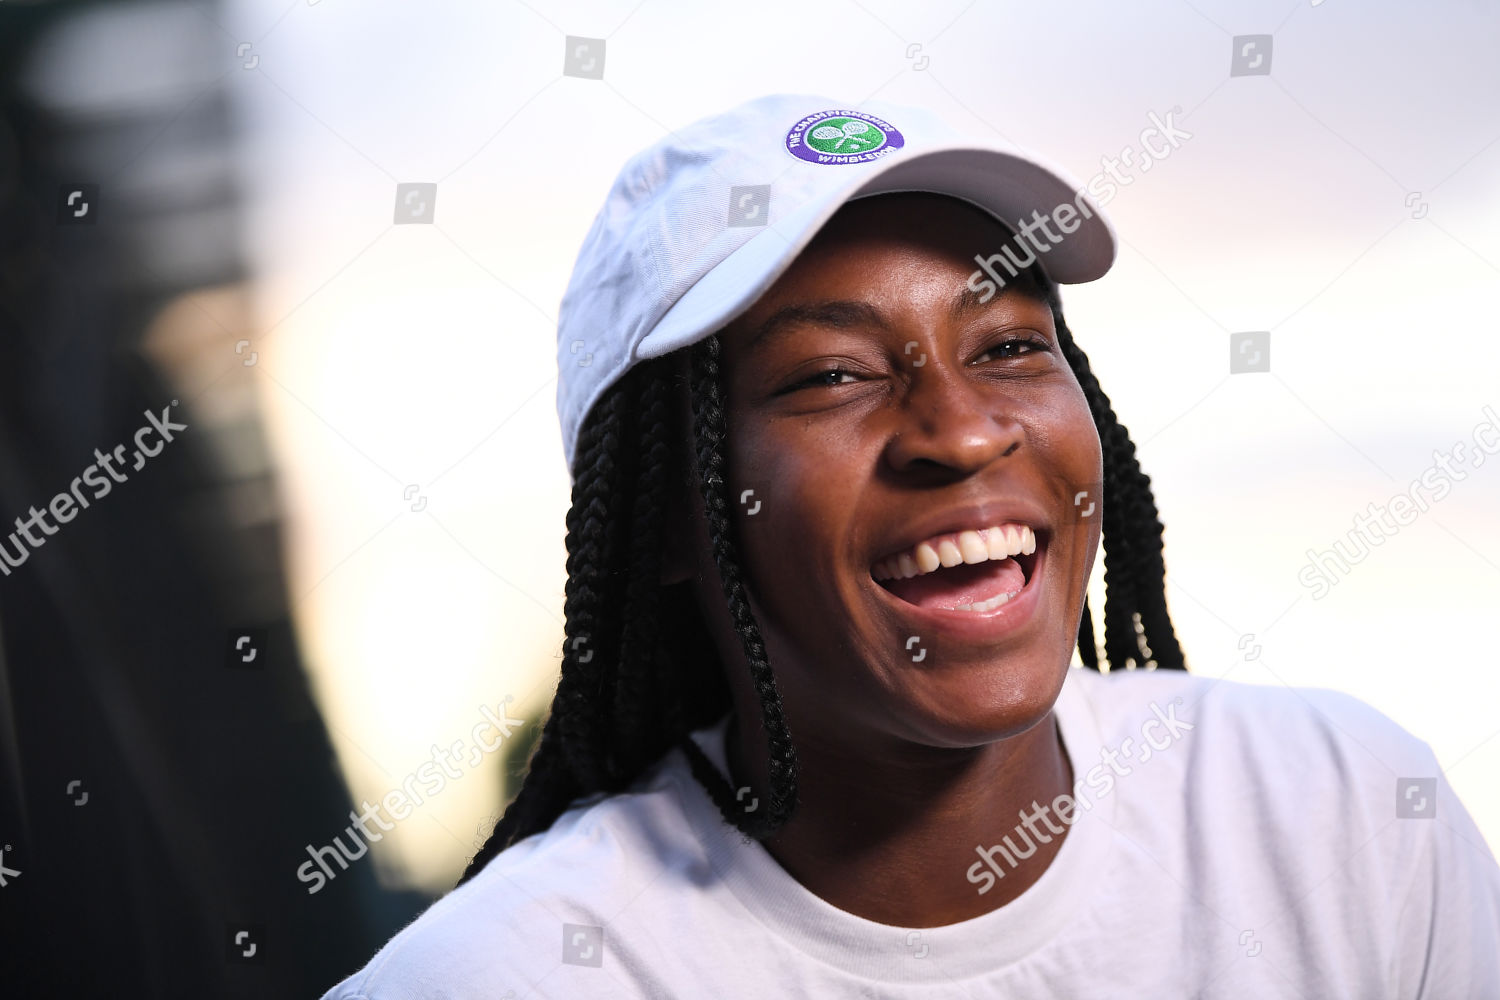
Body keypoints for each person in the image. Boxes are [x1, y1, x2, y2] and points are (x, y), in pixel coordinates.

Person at [319, 93, 1500, 998]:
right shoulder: (517, 974)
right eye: (833, 375)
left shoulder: (1343, 811)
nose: (964, 430)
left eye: (1008, 348)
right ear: (672, 515)